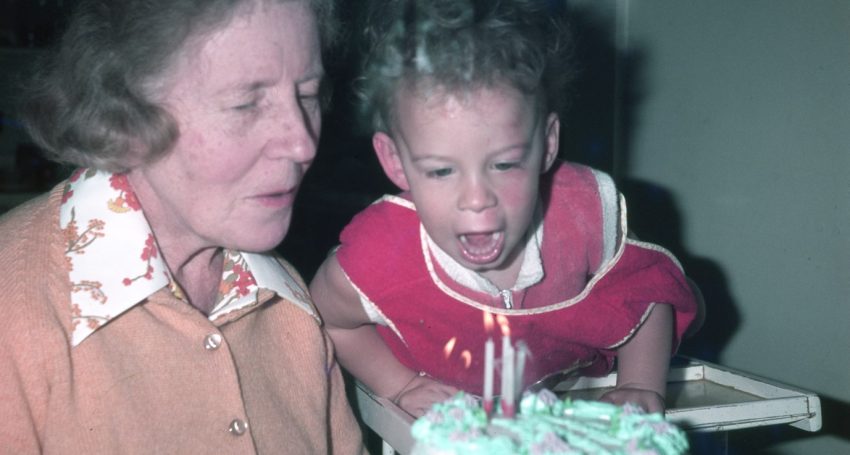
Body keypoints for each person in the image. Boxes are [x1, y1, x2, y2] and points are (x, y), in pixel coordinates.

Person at [0, 0, 365, 453]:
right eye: (245, 104)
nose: (302, 142)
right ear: (123, 114)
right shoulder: (12, 314)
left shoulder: (288, 304)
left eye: (307, 95)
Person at [309, 0, 700, 418]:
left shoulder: (581, 218)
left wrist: (639, 384)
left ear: (547, 144)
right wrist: (401, 384)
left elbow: (649, 296)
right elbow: (328, 320)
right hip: (446, 403)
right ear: (394, 162)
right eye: (441, 170)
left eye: (505, 164)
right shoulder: (379, 255)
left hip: (563, 393)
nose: (477, 198)